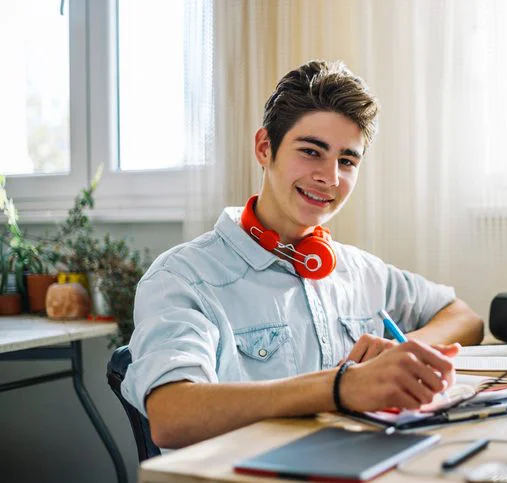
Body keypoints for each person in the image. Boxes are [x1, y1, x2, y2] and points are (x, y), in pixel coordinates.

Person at [122, 60, 485, 450]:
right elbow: (171, 416)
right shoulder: (182, 277)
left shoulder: (359, 271)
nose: (329, 178)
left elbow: (465, 318)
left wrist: (405, 352)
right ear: (265, 148)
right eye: (312, 152)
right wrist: (341, 387)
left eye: (347, 161)